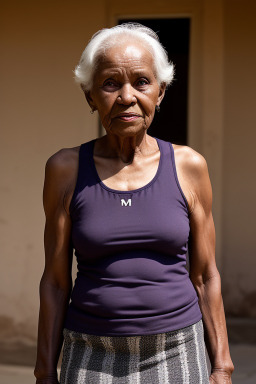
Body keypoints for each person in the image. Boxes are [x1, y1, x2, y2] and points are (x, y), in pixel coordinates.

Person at [34, 23, 234, 384]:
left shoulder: (189, 166)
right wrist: (45, 371)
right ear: (90, 96)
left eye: (141, 82)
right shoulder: (65, 170)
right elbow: (55, 281)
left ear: (160, 92)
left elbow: (205, 276)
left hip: (176, 348)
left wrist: (221, 366)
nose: (127, 96)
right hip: (90, 351)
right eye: (110, 83)